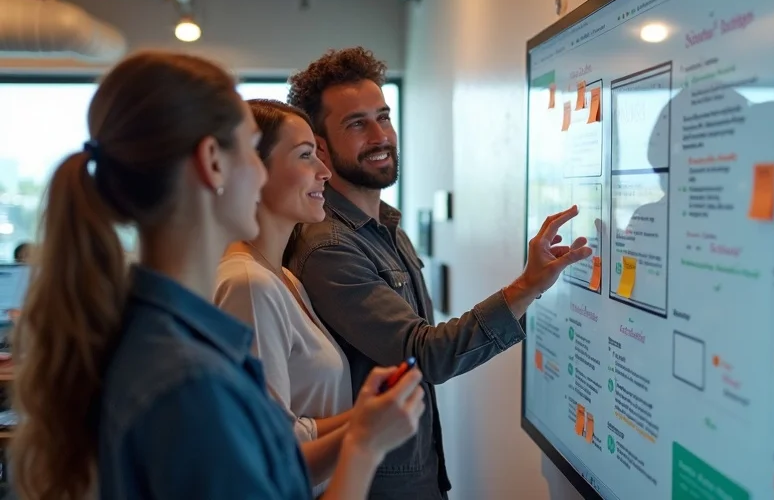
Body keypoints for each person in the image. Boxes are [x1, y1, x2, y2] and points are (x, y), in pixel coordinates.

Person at [10, 51, 426, 500]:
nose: (262, 171)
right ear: (212, 162)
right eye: (251, 147)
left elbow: (267, 468)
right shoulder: (189, 379)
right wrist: (364, 447)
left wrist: (359, 424)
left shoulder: (168, 337)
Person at [286, 47, 591, 499]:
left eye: (383, 117)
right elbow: (422, 354)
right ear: (321, 146)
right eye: (357, 124)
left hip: (416, 471)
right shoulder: (329, 246)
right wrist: (526, 286)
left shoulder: (385, 225)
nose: (380, 135)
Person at [214, 99, 355, 496]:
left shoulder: (286, 278)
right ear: (254, 172)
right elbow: (271, 450)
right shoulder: (248, 284)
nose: (325, 172)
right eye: (306, 155)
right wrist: (368, 423)